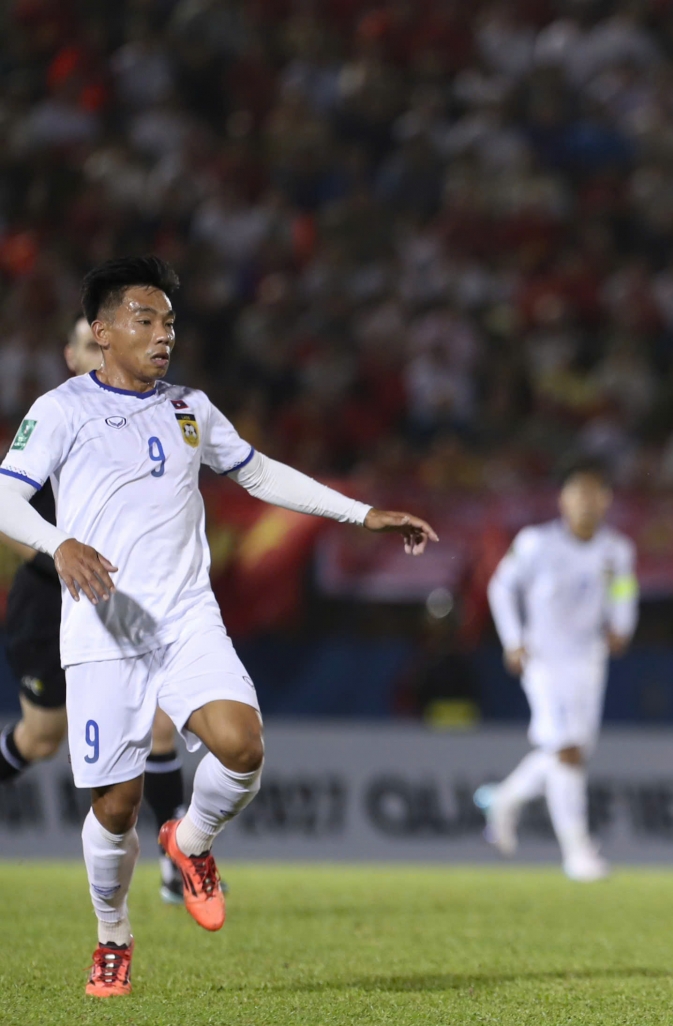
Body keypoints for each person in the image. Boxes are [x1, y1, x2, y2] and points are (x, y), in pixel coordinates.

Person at [0, 256, 437, 998]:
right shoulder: (62, 408)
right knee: (115, 807)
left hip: (184, 617)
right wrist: (58, 543)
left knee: (242, 746)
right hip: (104, 626)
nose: (163, 335)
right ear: (102, 331)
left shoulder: (190, 407)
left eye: (170, 323)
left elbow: (258, 472)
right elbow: (6, 497)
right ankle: (112, 935)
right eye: (145, 320)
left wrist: (362, 513)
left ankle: (192, 840)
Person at [0, 318, 192, 905]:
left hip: (116, 601)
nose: (101, 353)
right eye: (90, 344)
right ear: (71, 355)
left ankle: (177, 862)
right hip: (47, 601)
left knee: (160, 723)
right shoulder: (53, 418)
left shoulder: (145, 417)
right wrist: (62, 552)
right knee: (41, 738)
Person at [477, 461, 638, 881]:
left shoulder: (617, 550)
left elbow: (624, 590)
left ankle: (504, 799)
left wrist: (623, 625)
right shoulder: (536, 543)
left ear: (606, 501)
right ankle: (577, 853)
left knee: (570, 751)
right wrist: (513, 639)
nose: (585, 503)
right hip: (543, 659)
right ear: (563, 500)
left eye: (593, 494)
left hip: (589, 660)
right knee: (566, 750)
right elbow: (501, 586)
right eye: (577, 494)